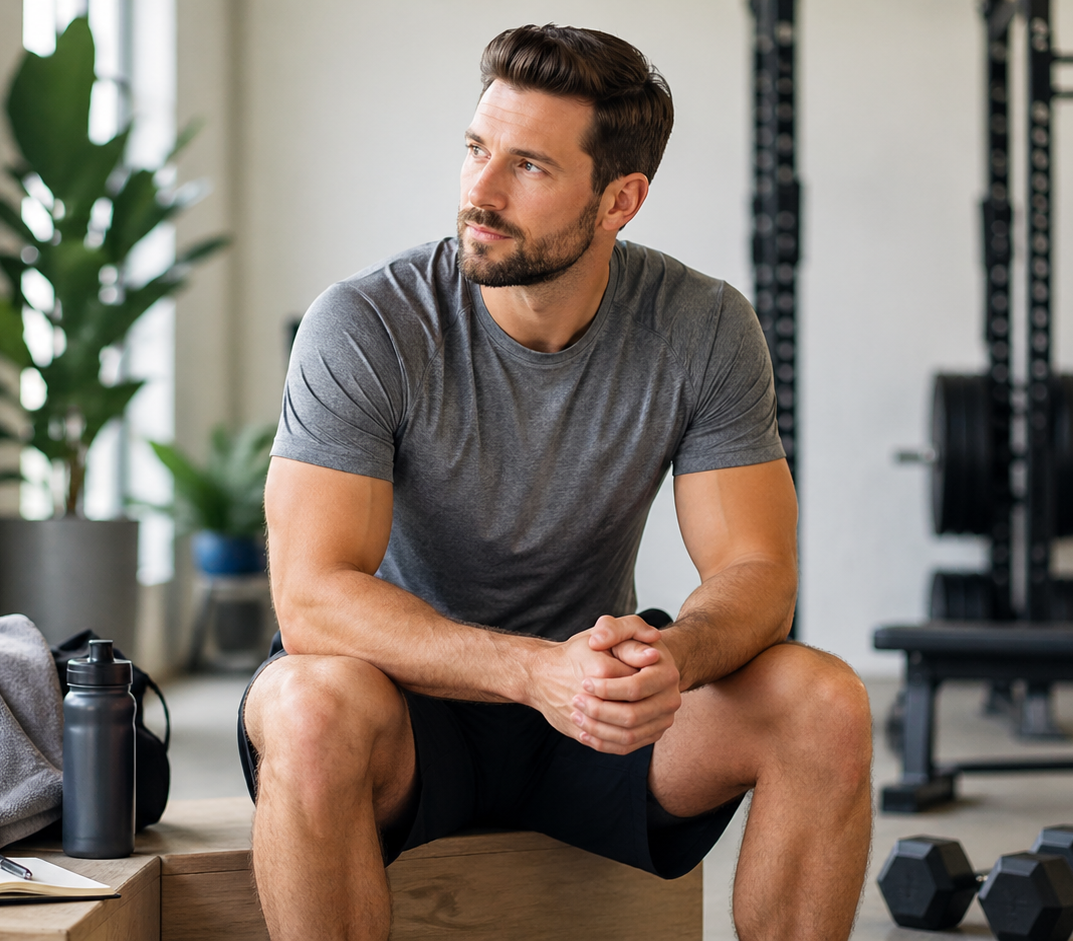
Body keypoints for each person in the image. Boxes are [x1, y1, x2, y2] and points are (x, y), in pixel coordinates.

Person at [240, 23, 873, 941]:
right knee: (303, 703)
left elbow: (760, 573)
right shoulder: (367, 324)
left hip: (596, 713)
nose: (480, 192)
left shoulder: (701, 326)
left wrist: (676, 658)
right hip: (407, 710)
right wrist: (535, 671)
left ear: (620, 199)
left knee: (824, 701)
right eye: (475, 149)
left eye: (529, 167)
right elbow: (312, 602)